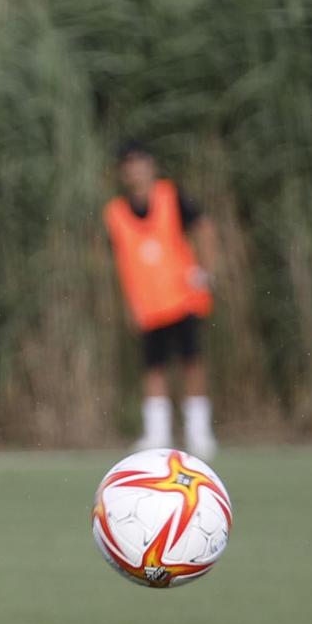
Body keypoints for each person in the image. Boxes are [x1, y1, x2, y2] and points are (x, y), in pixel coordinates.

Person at [104, 140, 217, 458]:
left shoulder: (171, 195)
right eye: (128, 164)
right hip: (148, 304)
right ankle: (157, 434)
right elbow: (120, 261)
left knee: (191, 361)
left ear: (151, 165)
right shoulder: (115, 212)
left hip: (182, 296)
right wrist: (128, 303)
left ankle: (199, 432)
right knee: (153, 367)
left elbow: (204, 227)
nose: (134, 170)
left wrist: (205, 270)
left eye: (140, 162)